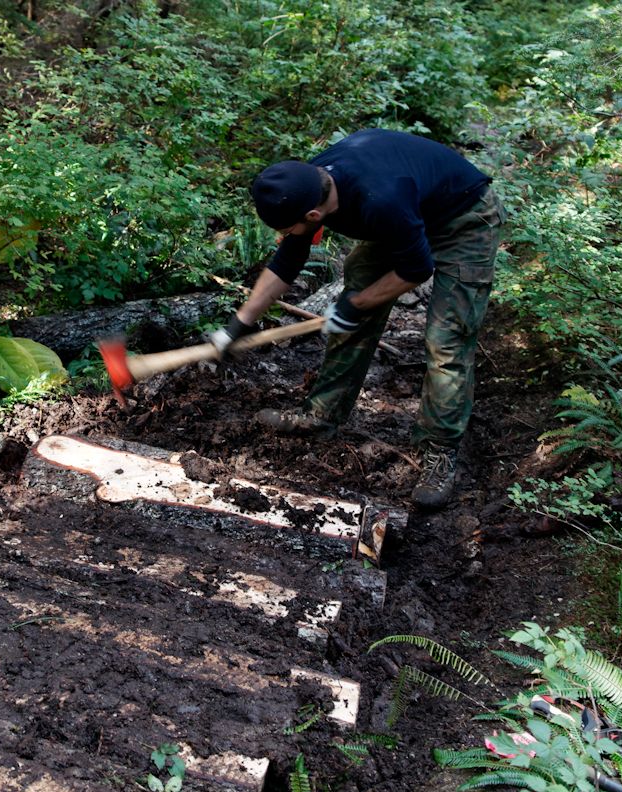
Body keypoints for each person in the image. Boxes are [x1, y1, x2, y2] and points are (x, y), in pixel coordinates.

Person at [206, 128, 507, 508]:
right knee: (356, 300)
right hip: (407, 213)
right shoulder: (307, 184)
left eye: (287, 228)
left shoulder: (381, 200)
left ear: (314, 214)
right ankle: (322, 414)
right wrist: (239, 325)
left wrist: (354, 306)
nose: (286, 235)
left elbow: (416, 269)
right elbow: (288, 260)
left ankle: (441, 451)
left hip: (464, 218)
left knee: (447, 340)